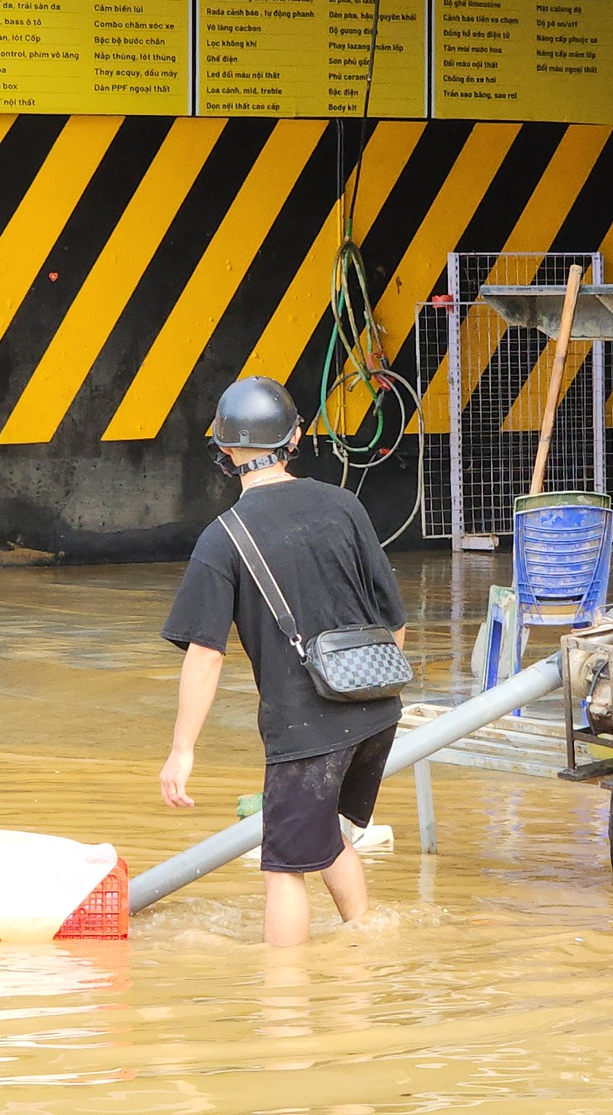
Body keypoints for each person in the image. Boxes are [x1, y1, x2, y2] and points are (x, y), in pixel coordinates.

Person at [159, 376, 409, 947]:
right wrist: (367, 693)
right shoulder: (344, 505)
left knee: (282, 867)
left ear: (224, 451)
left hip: (306, 727)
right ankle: (362, 954)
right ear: (296, 436)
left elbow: (204, 655)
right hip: (377, 710)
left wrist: (182, 751)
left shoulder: (222, 540)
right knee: (324, 835)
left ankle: (286, 1007)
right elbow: (395, 622)